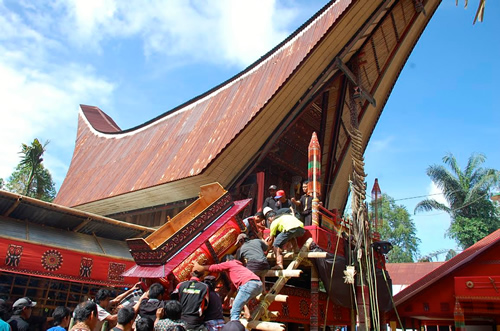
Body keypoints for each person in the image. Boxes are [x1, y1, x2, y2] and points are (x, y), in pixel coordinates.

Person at [193, 255, 262, 321]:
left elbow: (217, 267)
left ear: (227, 260)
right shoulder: (238, 266)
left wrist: (202, 267)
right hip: (258, 285)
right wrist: (228, 296)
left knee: (234, 311)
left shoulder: (229, 263)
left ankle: (234, 326)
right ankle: (247, 313)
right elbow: (234, 287)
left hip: (248, 285)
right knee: (242, 297)